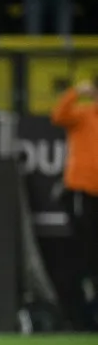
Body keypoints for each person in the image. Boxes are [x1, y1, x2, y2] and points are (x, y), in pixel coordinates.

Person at [51, 79, 98, 330]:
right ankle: (79, 312)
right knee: (83, 251)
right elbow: (58, 116)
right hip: (82, 192)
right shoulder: (83, 114)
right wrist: (75, 93)